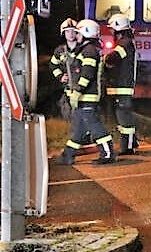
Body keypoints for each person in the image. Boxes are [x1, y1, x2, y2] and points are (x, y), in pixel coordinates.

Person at [58, 19, 115, 165]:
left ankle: (107, 153)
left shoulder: (89, 51)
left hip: (87, 96)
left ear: (85, 33)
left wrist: (77, 91)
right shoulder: (87, 49)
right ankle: (68, 155)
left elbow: (87, 75)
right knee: (79, 129)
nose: (75, 36)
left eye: (78, 32)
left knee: (94, 125)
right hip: (84, 96)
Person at [104, 14, 138, 156]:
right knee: (121, 115)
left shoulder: (124, 43)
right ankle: (131, 142)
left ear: (118, 29)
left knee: (124, 116)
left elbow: (113, 58)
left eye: (112, 29)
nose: (111, 32)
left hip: (122, 85)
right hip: (120, 85)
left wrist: (104, 57)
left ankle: (128, 147)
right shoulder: (126, 42)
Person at [50, 18, 79, 120]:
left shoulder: (83, 49)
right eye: (67, 31)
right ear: (64, 33)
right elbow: (53, 65)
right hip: (68, 90)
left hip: (82, 90)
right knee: (69, 117)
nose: (70, 34)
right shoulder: (60, 51)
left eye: (73, 31)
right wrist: (60, 76)